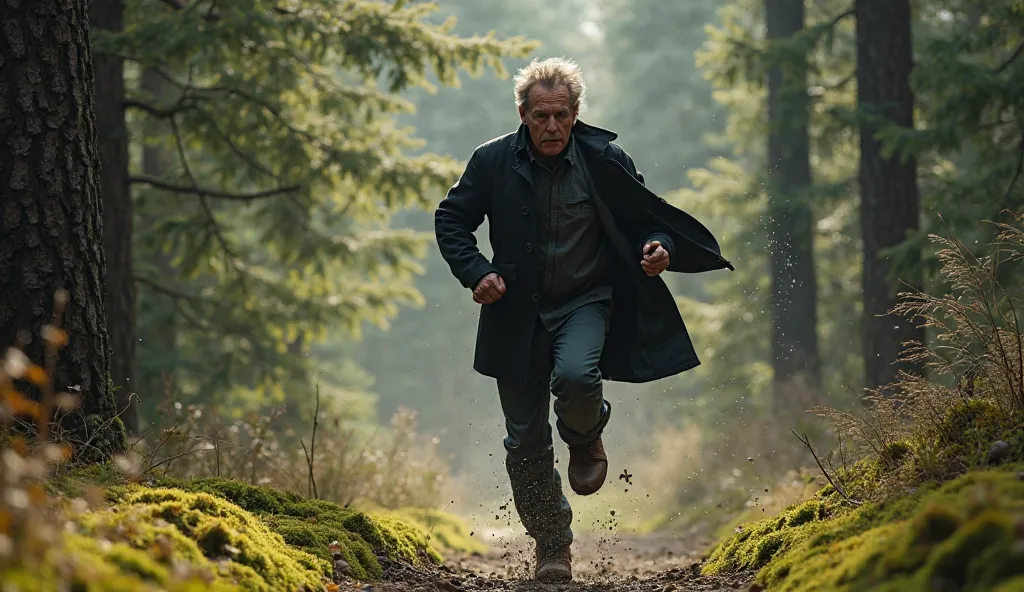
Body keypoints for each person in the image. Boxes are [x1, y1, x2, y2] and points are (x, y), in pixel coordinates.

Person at [434, 57, 732, 582]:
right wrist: (475, 271)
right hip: (514, 314)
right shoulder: (491, 161)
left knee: (576, 376)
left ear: (576, 114)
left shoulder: (605, 158)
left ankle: (585, 434)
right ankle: (552, 545)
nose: (553, 127)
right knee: (524, 440)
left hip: (586, 302)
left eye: (563, 115)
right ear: (522, 114)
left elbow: (646, 220)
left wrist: (657, 247)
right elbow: (451, 218)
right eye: (541, 116)